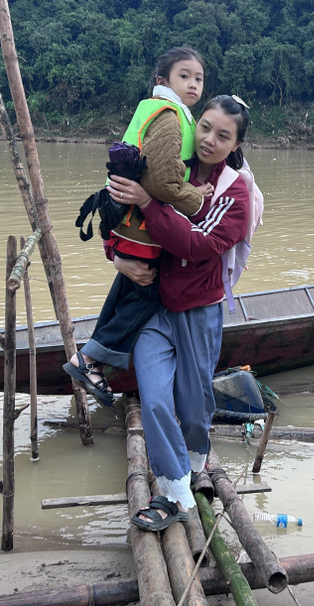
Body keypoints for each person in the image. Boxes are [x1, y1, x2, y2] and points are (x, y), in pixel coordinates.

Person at [107, 95, 252, 531]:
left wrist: (150, 203)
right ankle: (173, 491)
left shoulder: (235, 193)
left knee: (193, 405)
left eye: (222, 135)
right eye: (204, 127)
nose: (209, 140)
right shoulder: (168, 167)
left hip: (198, 311)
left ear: (236, 144)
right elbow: (118, 220)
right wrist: (117, 257)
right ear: (194, 124)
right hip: (153, 307)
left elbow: (197, 244)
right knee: (153, 400)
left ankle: (192, 462)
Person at [65, 47, 213, 408]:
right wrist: (196, 198)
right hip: (140, 227)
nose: (193, 84)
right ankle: (91, 358)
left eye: (198, 78)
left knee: (130, 284)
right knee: (146, 292)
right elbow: (162, 182)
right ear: (163, 81)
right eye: (184, 76)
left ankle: (86, 358)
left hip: (125, 221)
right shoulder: (170, 117)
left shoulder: (157, 109)